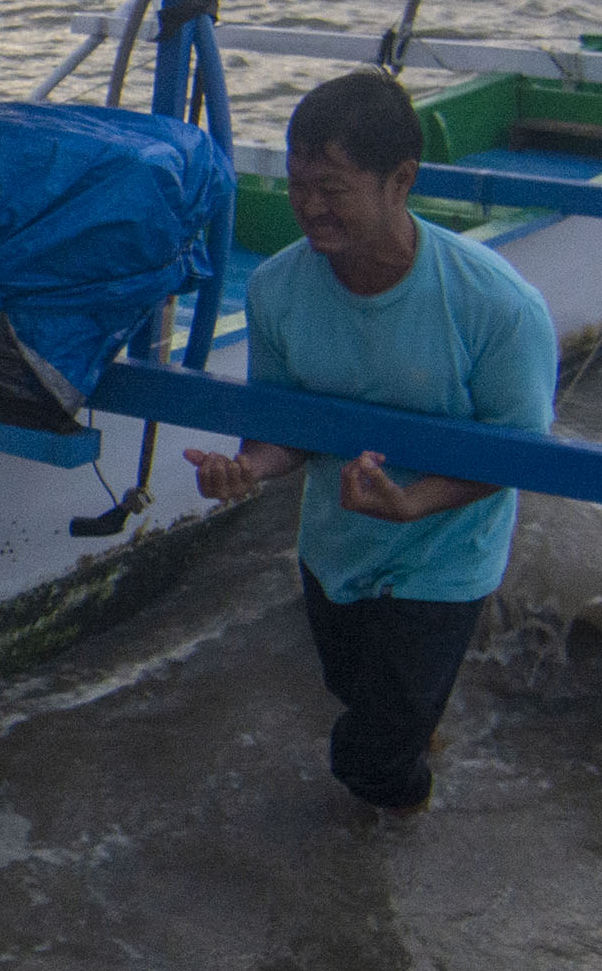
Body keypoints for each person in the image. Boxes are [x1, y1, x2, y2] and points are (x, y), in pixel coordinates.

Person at [185, 71, 558, 815]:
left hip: (446, 553)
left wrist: (415, 502)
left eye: (332, 186)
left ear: (401, 180)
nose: (309, 207)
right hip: (338, 545)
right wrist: (245, 468)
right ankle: (414, 740)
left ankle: (399, 832)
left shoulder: (498, 306)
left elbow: (519, 450)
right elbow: (283, 427)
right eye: (297, 185)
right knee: (355, 692)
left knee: (370, 754)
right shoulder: (278, 289)